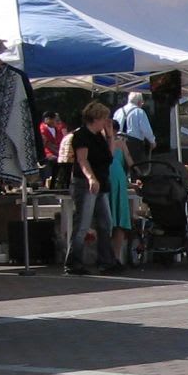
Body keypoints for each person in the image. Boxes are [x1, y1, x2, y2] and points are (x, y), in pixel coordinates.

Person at [66, 102, 120, 275]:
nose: (106, 122)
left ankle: (106, 260)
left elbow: (109, 156)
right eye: (104, 118)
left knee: (106, 223)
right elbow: (82, 159)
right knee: (82, 224)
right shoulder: (81, 135)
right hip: (85, 183)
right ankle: (73, 262)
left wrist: (110, 136)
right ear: (96, 118)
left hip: (102, 182)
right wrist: (91, 178)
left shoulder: (99, 136)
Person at [102, 111, 134, 267]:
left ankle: (110, 256)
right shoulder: (120, 143)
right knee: (119, 219)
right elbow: (130, 163)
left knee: (109, 219)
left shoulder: (106, 143)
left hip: (108, 179)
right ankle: (115, 256)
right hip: (117, 180)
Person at [114, 90, 157, 157]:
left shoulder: (118, 111)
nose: (142, 104)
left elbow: (114, 127)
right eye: (142, 102)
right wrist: (152, 141)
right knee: (135, 165)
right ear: (139, 102)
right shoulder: (139, 112)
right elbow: (146, 129)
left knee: (122, 165)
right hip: (134, 145)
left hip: (118, 141)